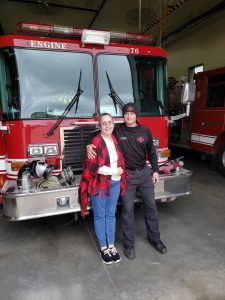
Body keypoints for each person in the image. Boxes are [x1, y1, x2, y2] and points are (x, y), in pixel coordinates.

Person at [87, 103, 167, 260]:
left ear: (137, 115)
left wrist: (156, 171)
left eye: (132, 113)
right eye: (126, 113)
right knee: (128, 210)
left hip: (144, 173)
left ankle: (155, 240)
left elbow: (151, 152)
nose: (129, 116)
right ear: (123, 116)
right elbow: (98, 134)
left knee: (151, 207)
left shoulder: (145, 131)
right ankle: (129, 245)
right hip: (127, 175)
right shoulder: (118, 129)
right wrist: (88, 145)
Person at [80, 113, 126, 264]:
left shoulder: (115, 139)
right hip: (99, 183)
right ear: (99, 126)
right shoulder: (95, 141)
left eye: (109, 122)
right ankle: (103, 248)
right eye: (104, 123)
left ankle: (111, 245)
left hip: (114, 183)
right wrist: (116, 171)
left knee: (111, 214)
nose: (107, 125)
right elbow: (97, 168)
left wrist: (117, 175)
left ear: (114, 124)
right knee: (100, 215)